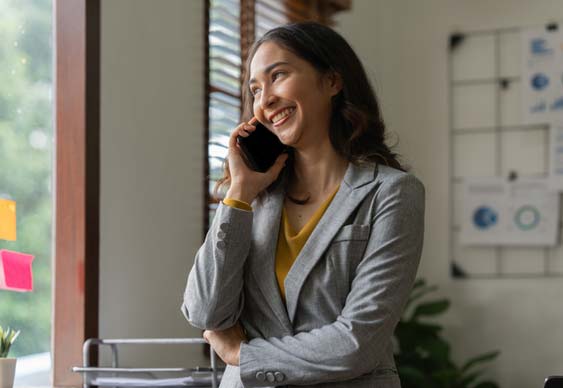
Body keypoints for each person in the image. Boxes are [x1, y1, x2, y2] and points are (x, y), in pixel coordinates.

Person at [181, 21, 425, 388]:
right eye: (255, 90)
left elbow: (356, 343)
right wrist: (240, 194)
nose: (264, 101)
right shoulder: (252, 199)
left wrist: (242, 355)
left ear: (332, 81)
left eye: (278, 76)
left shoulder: (392, 193)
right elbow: (204, 310)